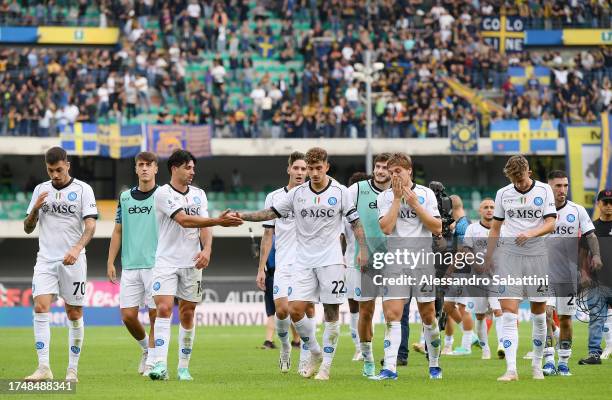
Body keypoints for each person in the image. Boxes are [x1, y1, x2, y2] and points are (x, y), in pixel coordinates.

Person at [238, 147, 368, 380]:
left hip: (331, 261)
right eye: (311, 169)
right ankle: (315, 351)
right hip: (303, 261)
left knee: (331, 312)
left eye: (319, 168)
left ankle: (326, 367)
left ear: (327, 167)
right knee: (294, 310)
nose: (315, 173)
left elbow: (356, 223)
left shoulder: (340, 192)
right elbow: (270, 214)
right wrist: (242, 215)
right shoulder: (298, 194)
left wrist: (363, 249)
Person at [148, 150, 243, 381]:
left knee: (188, 313)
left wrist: (207, 249)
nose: (193, 171)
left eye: (193, 168)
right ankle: (160, 364)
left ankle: (183, 367)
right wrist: (220, 221)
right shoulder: (162, 193)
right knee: (163, 309)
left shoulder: (199, 194)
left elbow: (204, 227)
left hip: (192, 261)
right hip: (166, 262)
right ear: (174, 168)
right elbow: (184, 220)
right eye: (188, 167)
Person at [23, 146, 98, 382]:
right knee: (40, 307)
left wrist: (77, 248)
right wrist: (35, 210)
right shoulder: (40, 190)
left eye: (58, 169)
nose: (54, 175)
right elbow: (27, 228)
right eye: (50, 170)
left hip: (73, 261)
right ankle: (44, 367)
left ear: (67, 165)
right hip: (45, 260)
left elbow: (91, 226)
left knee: (74, 312)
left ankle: (72, 369)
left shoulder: (83, 189)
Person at [371, 152, 443, 381]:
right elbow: (386, 228)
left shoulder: (426, 194)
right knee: (392, 315)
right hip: (395, 261)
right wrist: (395, 198)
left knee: (428, 315)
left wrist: (415, 205)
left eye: (398, 171)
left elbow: (437, 227)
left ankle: (434, 364)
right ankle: (390, 368)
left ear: (409, 171)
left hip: (422, 261)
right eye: (391, 173)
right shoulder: (384, 197)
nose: (394, 176)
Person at [484, 155, 556, 381]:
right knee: (508, 313)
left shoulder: (544, 191)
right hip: (510, 257)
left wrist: (531, 233)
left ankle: (536, 366)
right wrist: (488, 257)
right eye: (514, 180)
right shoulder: (503, 193)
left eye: (522, 179)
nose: (519, 183)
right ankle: (511, 369)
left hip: (538, 256)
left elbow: (551, 223)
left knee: (538, 314)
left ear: (529, 173)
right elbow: (495, 229)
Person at [255, 151, 313, 373]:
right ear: (289, 169)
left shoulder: (312, 196)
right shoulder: (274, 197)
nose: (300, 172)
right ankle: (285, 347)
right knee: (281, 311)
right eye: (296, 168)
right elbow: (268, 235)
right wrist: (261, 268)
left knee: (304, 310)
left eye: (304, 169)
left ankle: (305, 358)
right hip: (283, 264)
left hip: (307, 264)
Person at [106, 151, 160, 376]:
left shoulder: (164, 195)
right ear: (136, 169)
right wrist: (110, 261)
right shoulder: (125, 197)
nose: (145, 168)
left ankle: (154, 361)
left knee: (155, 316)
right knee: (128, 316)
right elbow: (118, 230)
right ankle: (146, 350)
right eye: (141, 165)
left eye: (149, 165)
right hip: (130, 265)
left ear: (156, 168)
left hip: (157, 265)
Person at [542, 170, 599, 375]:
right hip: (543, 272)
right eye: (558, 186)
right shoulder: (539, 210)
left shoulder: (577, 210)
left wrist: (597, 257)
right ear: (549, 186)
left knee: (565, 319)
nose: (562, 190)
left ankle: (563, 362)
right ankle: (548, 360)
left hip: (567, 275)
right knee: (545, 315)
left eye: (565, 185)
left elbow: (590, 235)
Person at [346, 154, 394, 376]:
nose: (380, 171)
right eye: (377, 166)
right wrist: (361, 249)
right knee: (366, 311)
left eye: (385, 167)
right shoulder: (357, 190)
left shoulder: (398, 191)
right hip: (366, 260)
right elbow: (350, 221)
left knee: (392, 313)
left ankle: (390, 362)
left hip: (393, 260)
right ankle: (367, 360)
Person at [462, 198, 504, 360]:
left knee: (498, 310)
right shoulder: (472, 229)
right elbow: (466, 249)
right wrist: (476, 264)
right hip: (478, 277)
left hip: (497, 277)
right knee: (479, 316)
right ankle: (485, 349)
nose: (489, 210)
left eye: (492, 207)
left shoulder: (502, 229)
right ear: (480, 211)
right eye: (485, 207)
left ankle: (501, 344)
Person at [578, 189, 611, 365]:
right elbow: (583, 254)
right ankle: (594, 354)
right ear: (598, 204)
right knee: (596, 319)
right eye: (605, 202)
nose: (609, 206)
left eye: (611, 203)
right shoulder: (591, 228)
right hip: (598, 283)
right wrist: (583, 273)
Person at [441, 194, 475, 356]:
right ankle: (469, 338)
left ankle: (468, 343)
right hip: (461, 271)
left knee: (462, 308)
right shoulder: (461, 223)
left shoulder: (463, 225)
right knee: (449, 306)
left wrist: (449, 271)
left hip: (463, 271)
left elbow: (463, 250)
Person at [343, 171, 370, 363]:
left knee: (365, 306)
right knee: (354, 305)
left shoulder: (374, 207)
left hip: (373, 261)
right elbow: (340, 236)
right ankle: (358, 347)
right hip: (350, 260)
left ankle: (364, 346)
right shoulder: (345, 212)